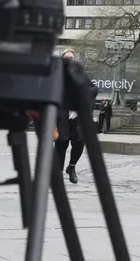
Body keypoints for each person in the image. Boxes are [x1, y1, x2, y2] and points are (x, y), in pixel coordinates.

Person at [54, 50, 88, 183]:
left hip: (77, 118)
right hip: (61, 116)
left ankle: (71, 167)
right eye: (66, 57)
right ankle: (59, 172)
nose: (69, 60)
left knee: (79, 143)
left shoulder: (80, 75)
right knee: (61, 144)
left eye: (71, 58)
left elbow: (92, 89)